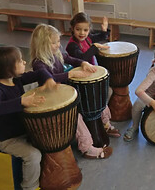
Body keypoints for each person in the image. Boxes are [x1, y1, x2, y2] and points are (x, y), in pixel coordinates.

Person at [30, 24, 112, 159]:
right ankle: (87, 148)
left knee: (95, 97)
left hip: (65, 91)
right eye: (53, 42)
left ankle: (106, 123)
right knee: (76, 117)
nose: (57, 45)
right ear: (42, 44)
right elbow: (49, 78)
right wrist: (70, 75)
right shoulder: (39, 63)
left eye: (58, 41)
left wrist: (83, 63)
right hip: (54, 99)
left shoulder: (55, 54)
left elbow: (70, 59)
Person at [0, 46, 58, 190]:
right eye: (20, 61)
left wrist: (48, 79)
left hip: (24, 131)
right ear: (8, 68)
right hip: (8, 139)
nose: (24, 62)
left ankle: (51, 174)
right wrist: (20, 102)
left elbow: (40, 72)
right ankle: (30, 187)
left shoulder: (17, 79)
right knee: (33, 155)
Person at [66, 12, 120, 138]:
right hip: (80, 80)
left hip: (91, 77)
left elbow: (100, 37)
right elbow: (82, 58)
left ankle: (104, 120)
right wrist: (95, 47)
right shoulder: (72, 45)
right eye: (78, 29)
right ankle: (99, 120)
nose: (82, 33)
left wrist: (104, 29)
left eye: (85, 30)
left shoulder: (87, 38)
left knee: (106, 93)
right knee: (101, 96)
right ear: (72, 28)